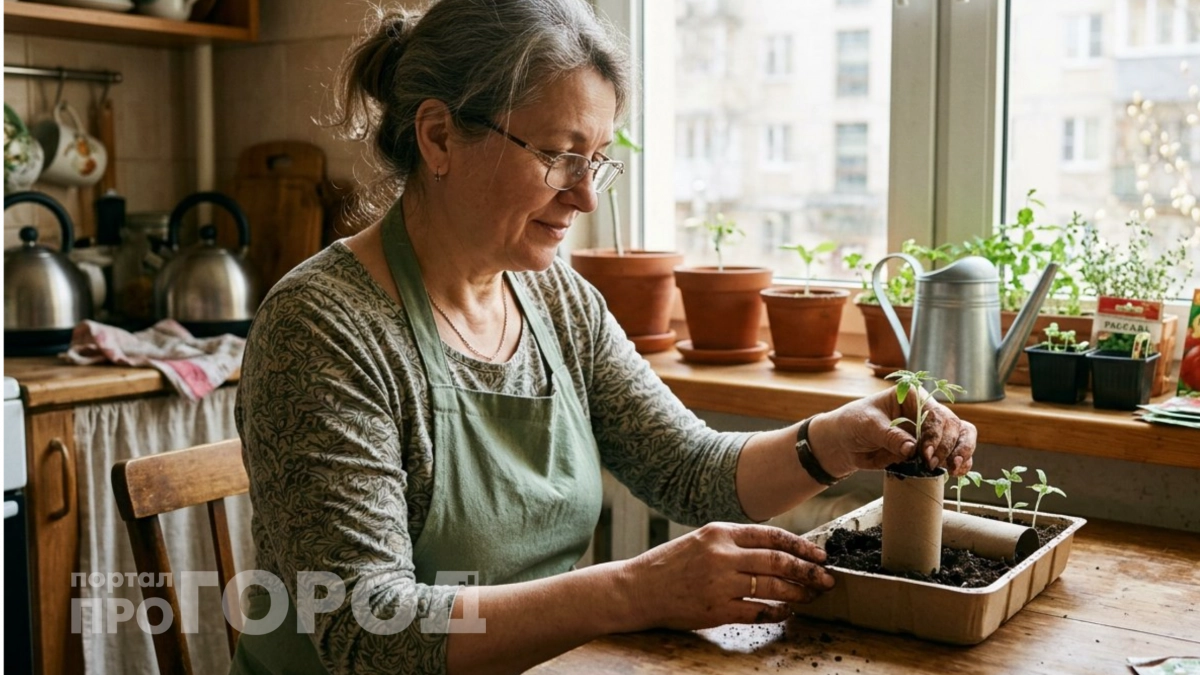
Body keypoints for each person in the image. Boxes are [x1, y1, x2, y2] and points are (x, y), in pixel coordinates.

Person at [230, 1, 977, 673]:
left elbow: (688, 468)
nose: (585, 195)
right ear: (438, 136)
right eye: (558, 154)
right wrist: (634, 589)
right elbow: (371, 633)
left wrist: (835, 438)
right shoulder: (324, 327)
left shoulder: (558, 301)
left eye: (597, 161)